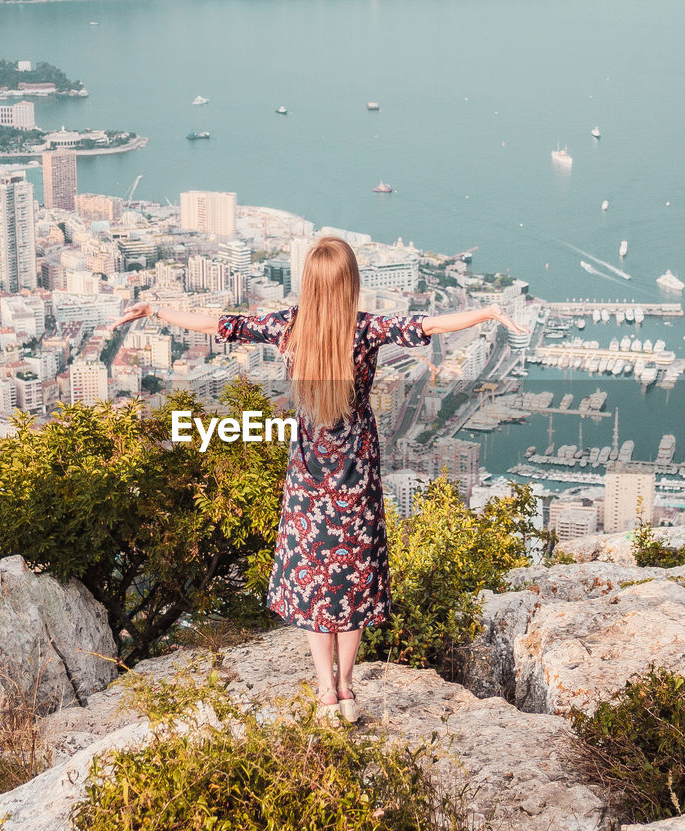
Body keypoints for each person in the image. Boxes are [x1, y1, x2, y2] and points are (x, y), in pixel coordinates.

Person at [118, 236, 525, 722]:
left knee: (315, 576)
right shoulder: (366, 330)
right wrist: (489, 313)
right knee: (352, 577)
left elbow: (220, 323)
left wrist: (156, 311)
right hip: (356, 471)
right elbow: (430, 324)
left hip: (309, 471)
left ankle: (325, 691)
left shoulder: (288, 327)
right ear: (351, 282)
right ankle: (348, 687)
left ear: (309, 283)